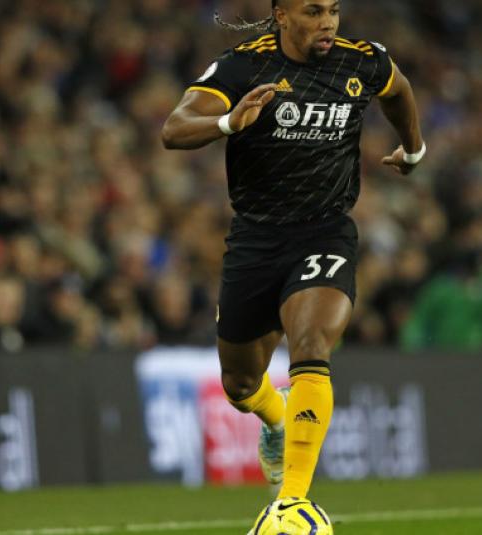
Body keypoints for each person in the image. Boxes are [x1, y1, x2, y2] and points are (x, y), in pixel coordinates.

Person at [161, 0, 424, 503]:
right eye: (312, 12)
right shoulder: (245, 65)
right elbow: (174, 129)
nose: (327, 23)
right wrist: (228, 123)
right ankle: (277, 419)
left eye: (333, 11)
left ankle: (293, 503)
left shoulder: (361, 60)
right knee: (240, 385)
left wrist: (413, 149)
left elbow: (399, 90)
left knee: (311, 344)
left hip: (326, 232)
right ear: (281, 15)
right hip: (256, 239)